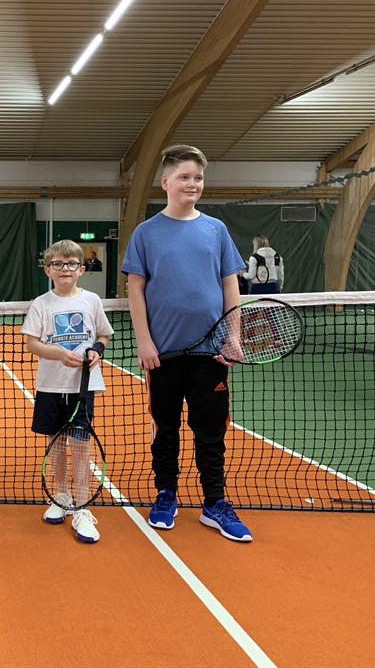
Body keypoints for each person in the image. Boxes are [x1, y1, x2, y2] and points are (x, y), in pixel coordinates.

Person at [121, 145, 253, 542]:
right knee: (165, 430)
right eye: (184, 177)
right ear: (166, 182)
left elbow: (230, 285)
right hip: (162, 355)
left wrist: (233, 336)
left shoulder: (216, 230)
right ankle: (166, 494)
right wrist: (144, 342)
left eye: (198, 177)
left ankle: (215, 503)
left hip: (211, 354)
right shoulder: (145, 233)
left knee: (211, 432)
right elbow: (135, 289)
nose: (192, 183)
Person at [22, 240, 113, 543]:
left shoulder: (92, 300)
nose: (65, 268)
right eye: (58, 264)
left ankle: (82, 507)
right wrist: (59, 354)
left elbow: (103, 334)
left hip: (83, 387)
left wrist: (97, 349)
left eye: (72, 263)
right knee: (57, 445)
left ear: (81, 269)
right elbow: (32, 343)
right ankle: (61, 497)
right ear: (47, 270)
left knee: (81, 447)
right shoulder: (41, 303)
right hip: (50, 385)